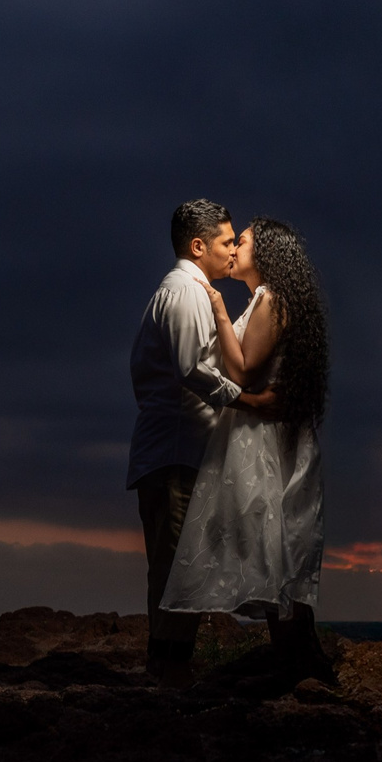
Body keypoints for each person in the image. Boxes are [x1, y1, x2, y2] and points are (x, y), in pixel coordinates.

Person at [161, 217, 332, 678]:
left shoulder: (270, 299)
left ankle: (293, 667)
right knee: (271, 545)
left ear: (269, 254)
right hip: (259, 436)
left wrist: (217, 307)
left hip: (262, 444)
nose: (234, 249)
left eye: (244, 241)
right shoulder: (266, 299)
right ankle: (295, 664)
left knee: (271, 542)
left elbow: (242, 373)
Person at [128, 200, 277, 685]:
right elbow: (194, 370)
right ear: (198, 246)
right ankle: (167, 673)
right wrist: (253, 404)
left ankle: (170, 668)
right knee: (173, 569)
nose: (234, 248)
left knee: (181, 568)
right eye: (226, 241)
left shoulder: (194, 293)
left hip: (177, 453)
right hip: (175, 456)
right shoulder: (185, 294)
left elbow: (211, 356)